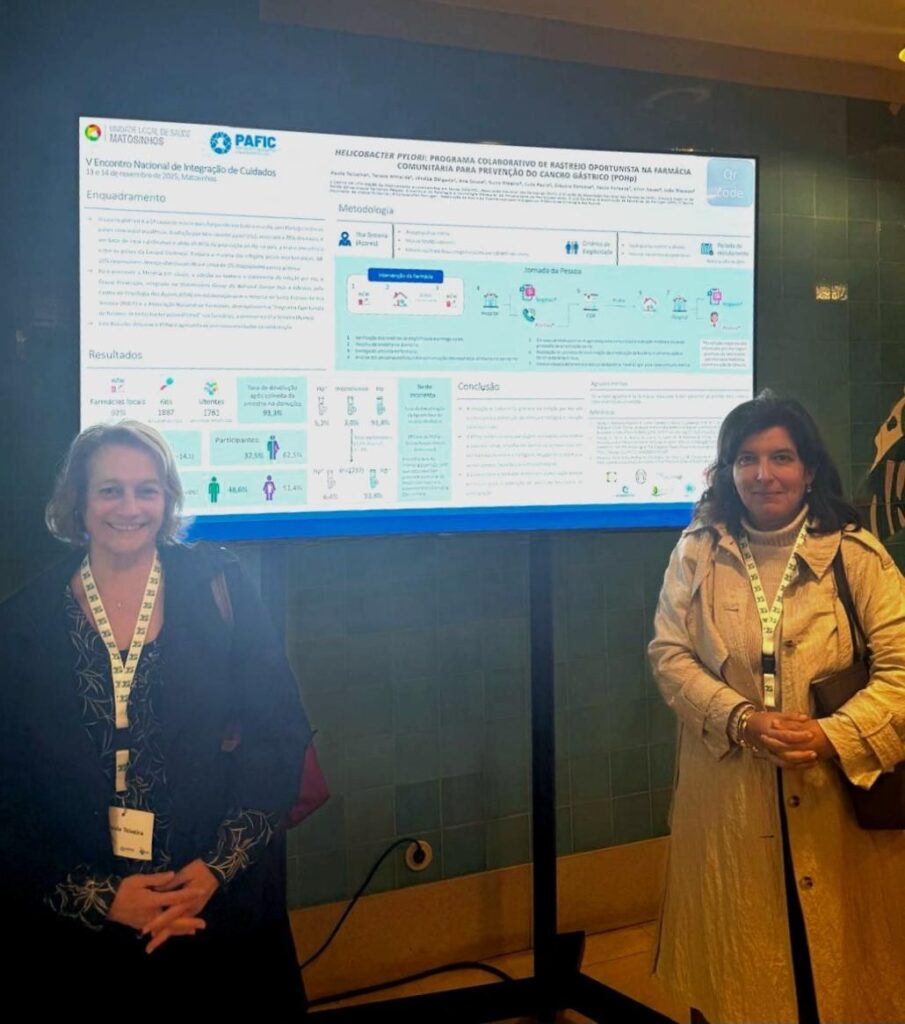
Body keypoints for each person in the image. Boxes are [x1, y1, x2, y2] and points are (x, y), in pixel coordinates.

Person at [0, 421, 312, 1014]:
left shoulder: (220, 587)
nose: (129, 508)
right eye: (109, 490)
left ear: (167, 500)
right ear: (78, 501)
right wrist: (101, 898)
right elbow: (10, 794)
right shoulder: (22, 624)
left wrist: (214, 871)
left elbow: (279, 734)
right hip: (82, 933)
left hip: (217, 910)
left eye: (147, 490)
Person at [648, 393, 905, 1024]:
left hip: (834, 799)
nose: (764, 474)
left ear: (809, 470)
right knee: (739, 969)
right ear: (729, 471)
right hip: (728, 797)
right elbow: (669, 654)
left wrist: (834, 735)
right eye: (747, 459)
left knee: (838, 967)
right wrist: (739, 719)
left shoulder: (856, 554)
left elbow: (903, 668)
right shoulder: (697, 551)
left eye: (781, 457)